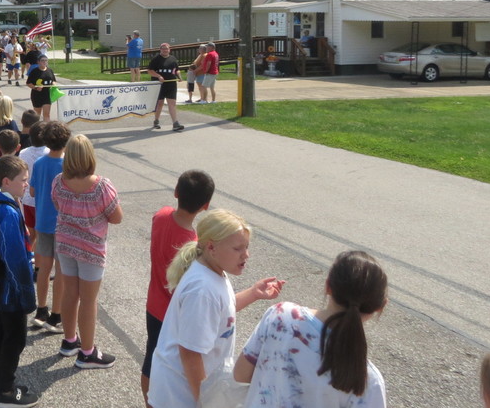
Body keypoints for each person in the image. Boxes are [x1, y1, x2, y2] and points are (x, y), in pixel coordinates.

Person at [147, 209, 285, 408]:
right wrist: (205, 402)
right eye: (238, 248)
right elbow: (190, 354)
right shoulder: (202, 290)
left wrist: (253, 293)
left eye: (246, 247)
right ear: (211, 247)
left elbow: (222, 313)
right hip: (179, 395)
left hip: (189, 389)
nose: (246, 255)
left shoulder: (214, 271)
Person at [234, 250, 389, 407]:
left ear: (328, 285)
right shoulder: (367, 381)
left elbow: (240, 374)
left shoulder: (281, 316)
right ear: (380, 306)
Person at [141, 170, 215, 407]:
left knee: (152, 358)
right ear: (206, 205)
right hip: (173, 313)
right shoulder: (193, 245)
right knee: (174, 367)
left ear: (176, 192)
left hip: (153, 304)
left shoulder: (161, 215)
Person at [53, 134, 123, 369]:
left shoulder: (58, 182)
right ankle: (87, 352)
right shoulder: (102, 186)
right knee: (89, 300)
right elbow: (116, 218)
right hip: (91, 250)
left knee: (70, 294)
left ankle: (70, 340)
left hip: (65, 244)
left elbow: (57, 205)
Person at [0, 155, 39, 408]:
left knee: (0, 334)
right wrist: (26, 294)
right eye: (22, 180)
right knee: (15, 337)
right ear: (6, 181)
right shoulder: (7, 212)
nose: (26, 185)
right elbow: (14, 257)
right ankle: (6, 392)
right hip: (10, 287)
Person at [29, 120, 70, 335]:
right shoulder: (68, 165)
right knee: (61, 271)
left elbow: (33, 192)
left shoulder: (39, 163)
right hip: (62, 224)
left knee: (44, 269)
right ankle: (56, 314)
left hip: (43, 221)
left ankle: (41, 309)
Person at [17, 115, 45, 250]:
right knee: (42, 235)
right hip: (42, 200)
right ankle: (38, 261)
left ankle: (28, 255)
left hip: (27, 198)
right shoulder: (49, 153)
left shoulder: (23, 153)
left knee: (30, 233)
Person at [147, 43, 185, 132]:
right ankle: (156, 120)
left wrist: (179, 76)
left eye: (167, 49)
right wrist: (158, 76)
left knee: (172, 103)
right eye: (163, 49)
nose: (165, 50)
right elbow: (150, 71)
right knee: (160, 103)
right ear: (160, 49)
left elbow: (176, 69)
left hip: (171, 84)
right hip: (159, 85)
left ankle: (175, 123)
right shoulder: (156, 59)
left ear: (169, 49)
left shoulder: (173, 59)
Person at [26, 55, 57, 120]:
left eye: (46, 60)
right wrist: (35, 88)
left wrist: (53, 84)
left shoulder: (50, 70)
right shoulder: (34, 71)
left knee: (47, 114)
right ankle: (37, 129)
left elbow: (54, 80)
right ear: (38, 62)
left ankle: (47, 129)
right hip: (37, 95)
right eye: (42, 60)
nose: (44, 62)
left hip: (47, 95)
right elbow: (28, 83)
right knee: (37, 115)